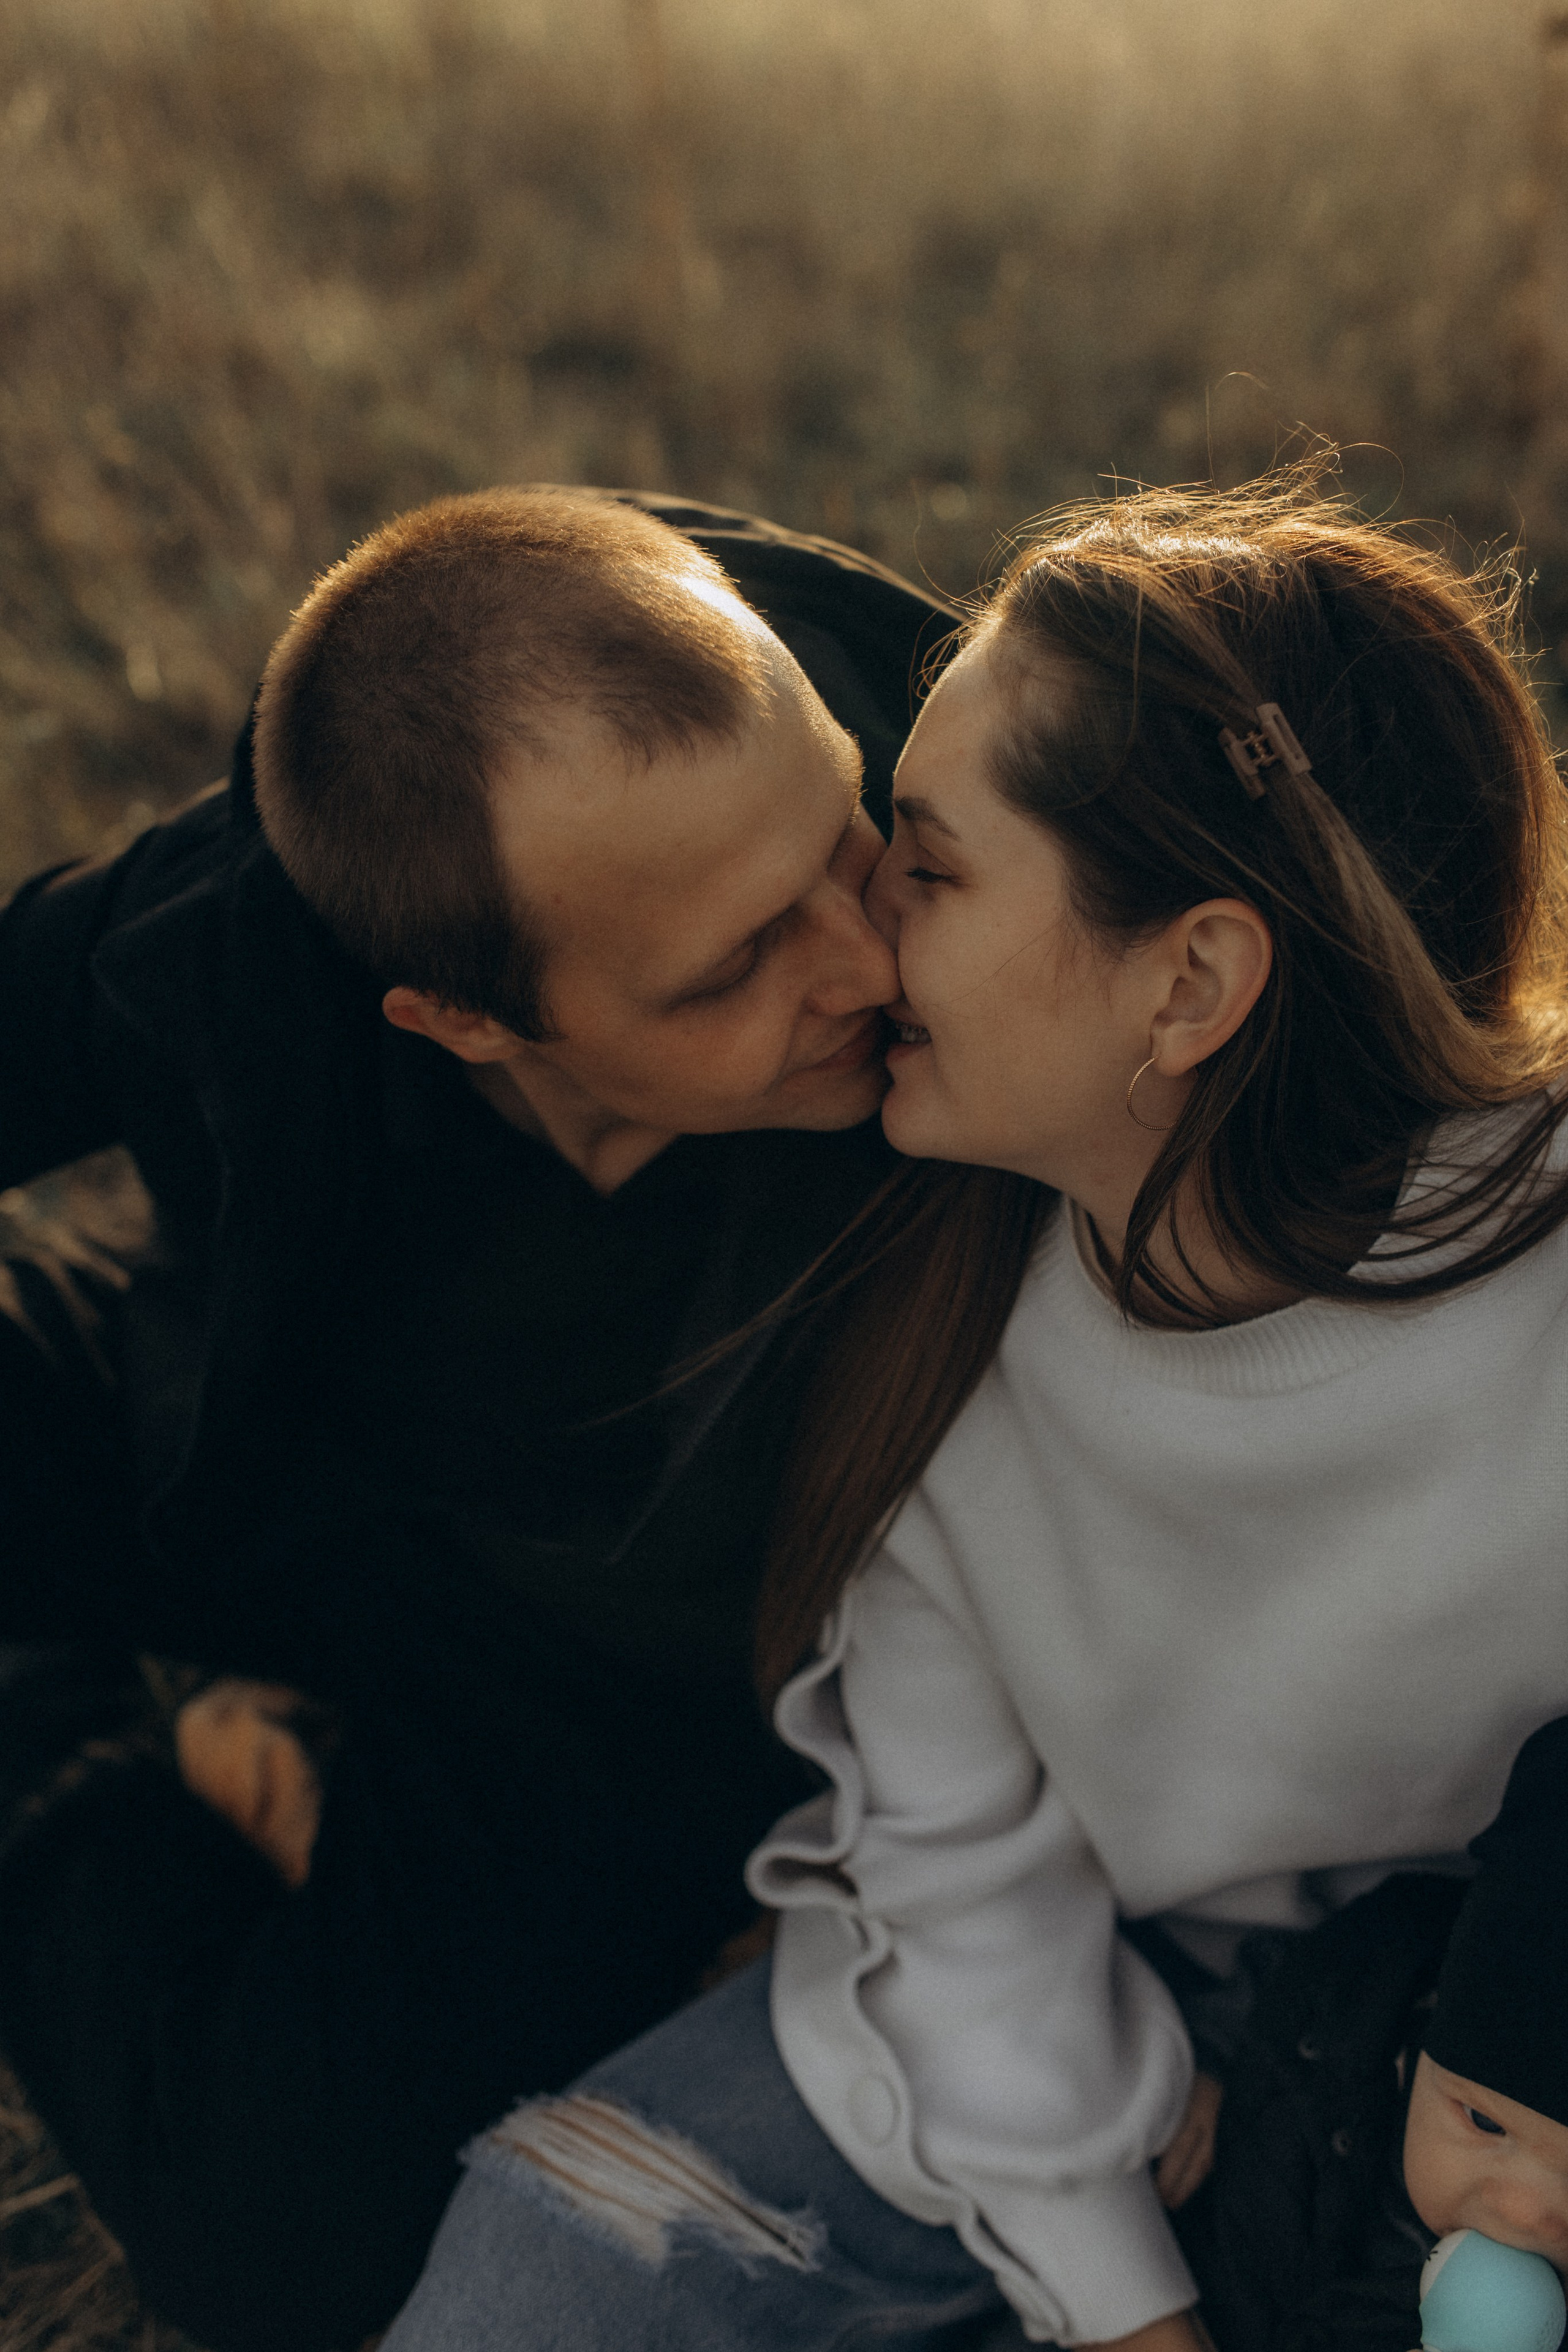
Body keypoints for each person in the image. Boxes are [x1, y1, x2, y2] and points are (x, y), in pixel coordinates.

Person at [376, 467, 1568, 2352]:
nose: (861, 934)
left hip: (1515, 2032)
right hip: (1109, 2004)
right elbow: (954, 1869)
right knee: (529, 2281)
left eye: (921, 864)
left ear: (1186, 981)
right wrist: (1119, 2310)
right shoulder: (934, 1323)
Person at [0, 486, 961, 2352]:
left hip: (597, 1692)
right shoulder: (271, 918)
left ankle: (52, 1749)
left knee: (282, 2249)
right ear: (457, 1017)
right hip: (252, 1460)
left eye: (847, 837)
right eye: (734, 962)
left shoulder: (995, 810)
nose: (860, 961)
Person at [1170, 1712, 1568, 2351]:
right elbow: (1276, 2000)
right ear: (1421, 2047)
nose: (1523, 2210)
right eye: (1484, 2123)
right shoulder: (1349, 2010)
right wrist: (1200, 2066)